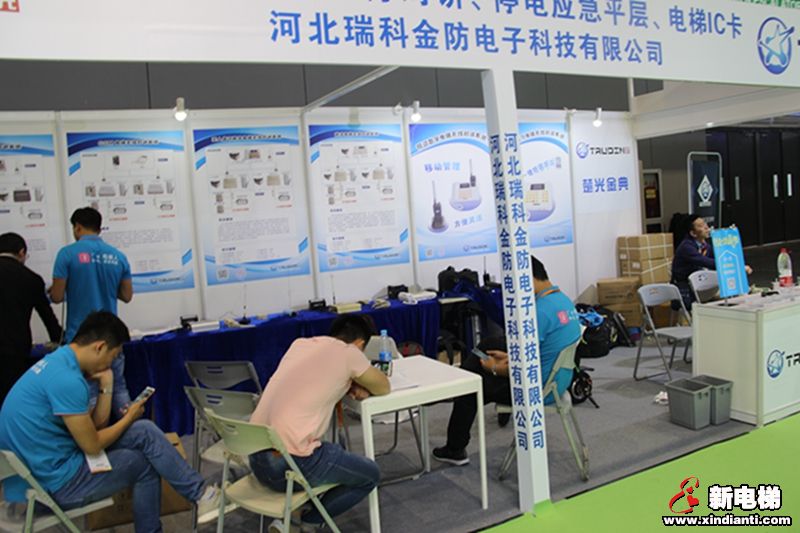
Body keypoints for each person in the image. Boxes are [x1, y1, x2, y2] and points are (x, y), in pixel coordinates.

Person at [0, 311, 222, 532]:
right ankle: (192, 501)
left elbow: (96, 428)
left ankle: (202, 494)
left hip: (39, 471)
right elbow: (93, 445)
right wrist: (128, 418)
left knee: (144, 430)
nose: (112, 363)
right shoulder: (68, 381)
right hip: (53, 486)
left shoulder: (57, 362)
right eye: (113, 356)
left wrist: (107, 384)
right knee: (143, 464)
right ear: (99, 347)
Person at [433, 256, 582, 466]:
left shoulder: (538, 312)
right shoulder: (563, 300)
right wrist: (508, 359)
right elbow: (538, 352)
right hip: (559, 381)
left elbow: (524, 369)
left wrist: (495, 369)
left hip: (538, 389)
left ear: (527, 278)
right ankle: (465, 376)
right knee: (487, 346)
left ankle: (455, 448)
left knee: (470, 388)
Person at [248, 315, 391, 532]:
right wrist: (357, 382)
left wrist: (348, 383)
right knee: (369, 475)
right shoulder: (349, 353)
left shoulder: (299, 345)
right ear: (360, 343)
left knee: (332, 450)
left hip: (256, 458)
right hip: (291, 464)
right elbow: (383, 386)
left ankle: (295, 513)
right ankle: (306, 521)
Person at [49, 207, 133, 418]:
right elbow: (127, 295)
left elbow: (57, 297)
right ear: (99, 228)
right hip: (112, 338)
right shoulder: (118, 256)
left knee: (86, 392)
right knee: (119, 387)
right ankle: (129, 426)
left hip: (82, 340)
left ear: (77, 227)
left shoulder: (67, 254)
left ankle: (91, 435)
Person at [0, 232, 63, 405]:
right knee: (10, 398)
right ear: (21, 252)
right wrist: (60, 338)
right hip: (15, 349)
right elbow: (47, 317)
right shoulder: (31, 279)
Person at [671, 215, 752, 308]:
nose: (706, 227)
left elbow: (719, 258)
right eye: (701, 226)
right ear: (693, 233)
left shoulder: (705, 245)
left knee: (734, 289)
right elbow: (707, 262)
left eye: (705, 223)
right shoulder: (686, 247)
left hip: (701, 285)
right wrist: (737, 267)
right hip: (687, 289)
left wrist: (736, 266)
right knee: (730, 293)